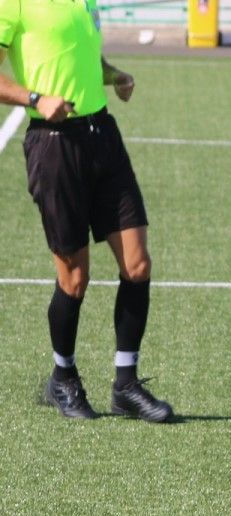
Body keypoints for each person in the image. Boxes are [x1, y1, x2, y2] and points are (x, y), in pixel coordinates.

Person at [0, 0, 174, 422]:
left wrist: (112, 74)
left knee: (138, 264)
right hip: (54, 145)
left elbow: (82, 58)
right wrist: (36, 98)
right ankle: (63, 378)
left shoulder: (84, 1)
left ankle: (126, 385)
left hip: (102, 134)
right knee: (74, 278)